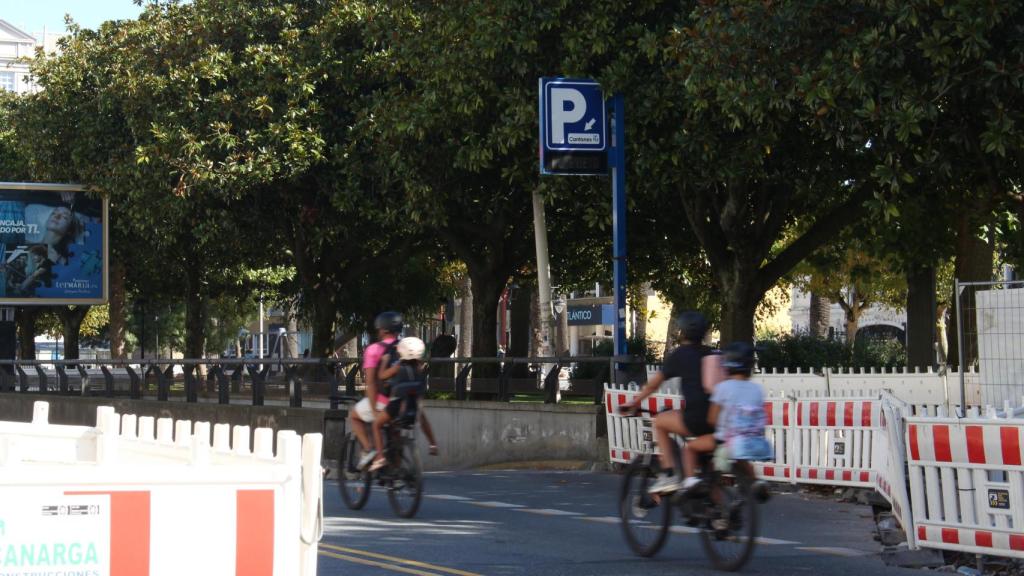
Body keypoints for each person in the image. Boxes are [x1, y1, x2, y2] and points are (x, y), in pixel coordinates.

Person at [622, 311, 725, 494]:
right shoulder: (710, 353)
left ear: (682, 332)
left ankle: (669, 474)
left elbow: (653, 384)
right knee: (708, 470)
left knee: (660, 421)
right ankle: (720, 519)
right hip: (717, 419)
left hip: (695, 419)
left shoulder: (680, 355)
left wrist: (634, 402)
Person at [349, 311, 403, 469]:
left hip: (383, 401)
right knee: (394, 432)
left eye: (379, 329)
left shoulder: (374, 349)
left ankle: (369, 449)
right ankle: (398, 472)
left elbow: (371, 383)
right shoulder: (405, 347)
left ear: (383, 330)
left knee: (354, 416)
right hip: (404, 400)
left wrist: (374, 410)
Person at [708, 341, 773, 467]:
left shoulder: (723, 388)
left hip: (725, 440)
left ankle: (692, 481)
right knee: (742, 460)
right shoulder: (757, 389)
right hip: (752, 441)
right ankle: (754, 482)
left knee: (691, 448)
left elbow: (711, 419)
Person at [369, 336, 428, 470]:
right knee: (396, 431)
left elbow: (381, 376)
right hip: (413, 407)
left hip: (396, 405)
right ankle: (398, 463)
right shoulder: (420, 369)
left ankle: (380, 458)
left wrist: (384, 361)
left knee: (376, 425)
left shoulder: (398, 366)